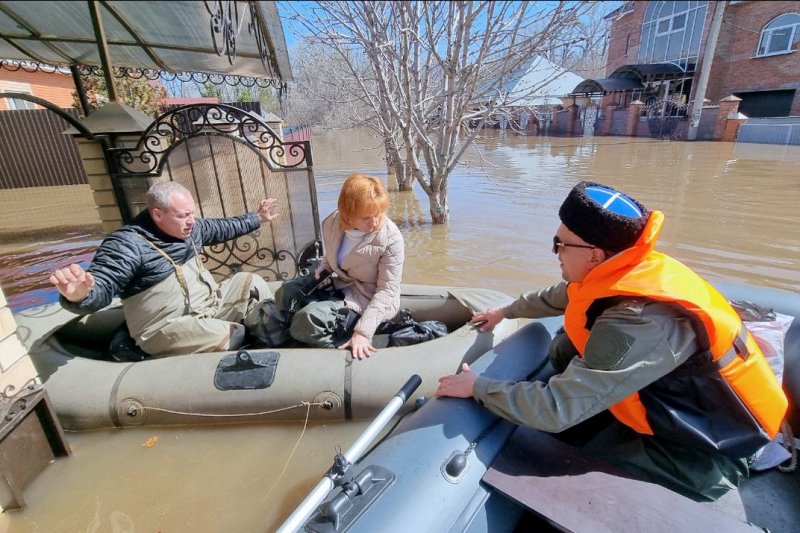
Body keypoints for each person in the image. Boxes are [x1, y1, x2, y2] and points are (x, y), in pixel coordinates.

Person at [435, 181, 787, 502]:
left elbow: (557, 409)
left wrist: (477, 386)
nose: (554, 251)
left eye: (559, 244)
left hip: (709, 450)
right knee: (563, 348)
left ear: (595, 255)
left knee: (579, 446)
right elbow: (567, 293)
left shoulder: (636, 320)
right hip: (675, 396)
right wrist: (507, 310)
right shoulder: (628, 266)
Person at [49, 181, 279, 358]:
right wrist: (81, 295)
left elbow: (223, 227)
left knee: (251, 282)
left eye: (192, 213)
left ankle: (277, 342)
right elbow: (104, 282)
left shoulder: (189, 229)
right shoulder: (127, 244)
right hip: (165, 327)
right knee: (230, 334)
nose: (191, 221)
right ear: (157, 214)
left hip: (207, 307)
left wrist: (257, 218)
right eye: (183, 215)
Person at [274, 174, 404, 360]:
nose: (374, 222)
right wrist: (326, 265)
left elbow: (387, 291)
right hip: (341, 282)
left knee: (309, 318)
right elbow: (337, 252)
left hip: (368, 295)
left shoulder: (391, 239)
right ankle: (283, 339)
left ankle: (336, 351)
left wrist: (362, 333)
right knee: (287, 290)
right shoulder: (334, 223)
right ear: (348, 214)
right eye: (366, 217)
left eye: (377, 214)